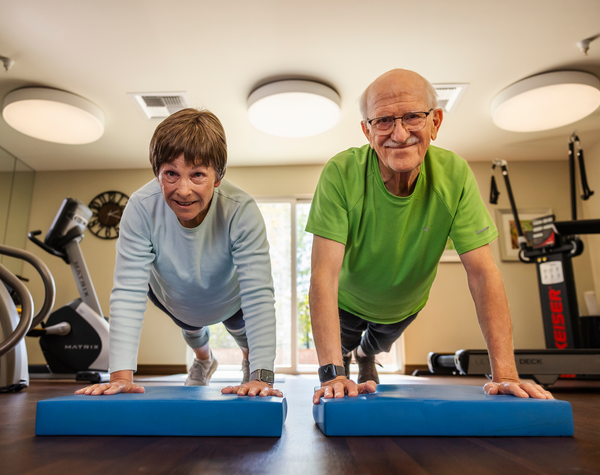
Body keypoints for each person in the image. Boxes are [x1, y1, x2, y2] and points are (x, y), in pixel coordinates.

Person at [307, 69, 553, 405]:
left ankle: (366, 356)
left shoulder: (454, 175)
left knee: (374, 346)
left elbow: (483, 274)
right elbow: (323, 275)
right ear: (366, 131)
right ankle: (351, 357)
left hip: (402, 305)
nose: (399, 133)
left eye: (412, 117)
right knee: (342, 351)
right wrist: (332, 374)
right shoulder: (340, 173)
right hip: (346, 302)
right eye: (383, 121)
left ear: (435, 122)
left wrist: (506, 374)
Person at [77, 108, 282, 398]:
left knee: (243, 335)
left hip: (229, 296)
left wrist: (262, 377)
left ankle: (247, 361)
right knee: (192, 329)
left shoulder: (241, 210)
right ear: (157, 173)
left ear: (218, 176)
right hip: (174, 294)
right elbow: (128, 290)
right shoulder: (140, 206)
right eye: (171, 173)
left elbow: (258, 293)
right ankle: (203, 360)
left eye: (197, 174)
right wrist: (121, 376)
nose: (183, 190)